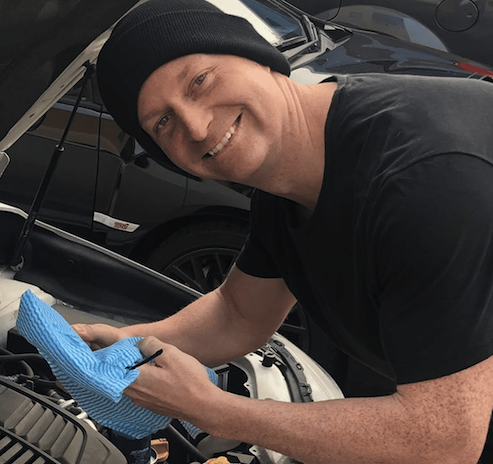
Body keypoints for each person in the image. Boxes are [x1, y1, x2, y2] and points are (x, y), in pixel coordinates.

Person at [72, 0, 493, 462]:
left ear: (256, 55)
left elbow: (444, 443)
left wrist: (211, 409)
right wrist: (125, 344)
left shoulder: (424, 181)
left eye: (199, 80)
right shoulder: (292, 172)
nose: (195, 127)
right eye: (163, 122)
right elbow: (238, 315)